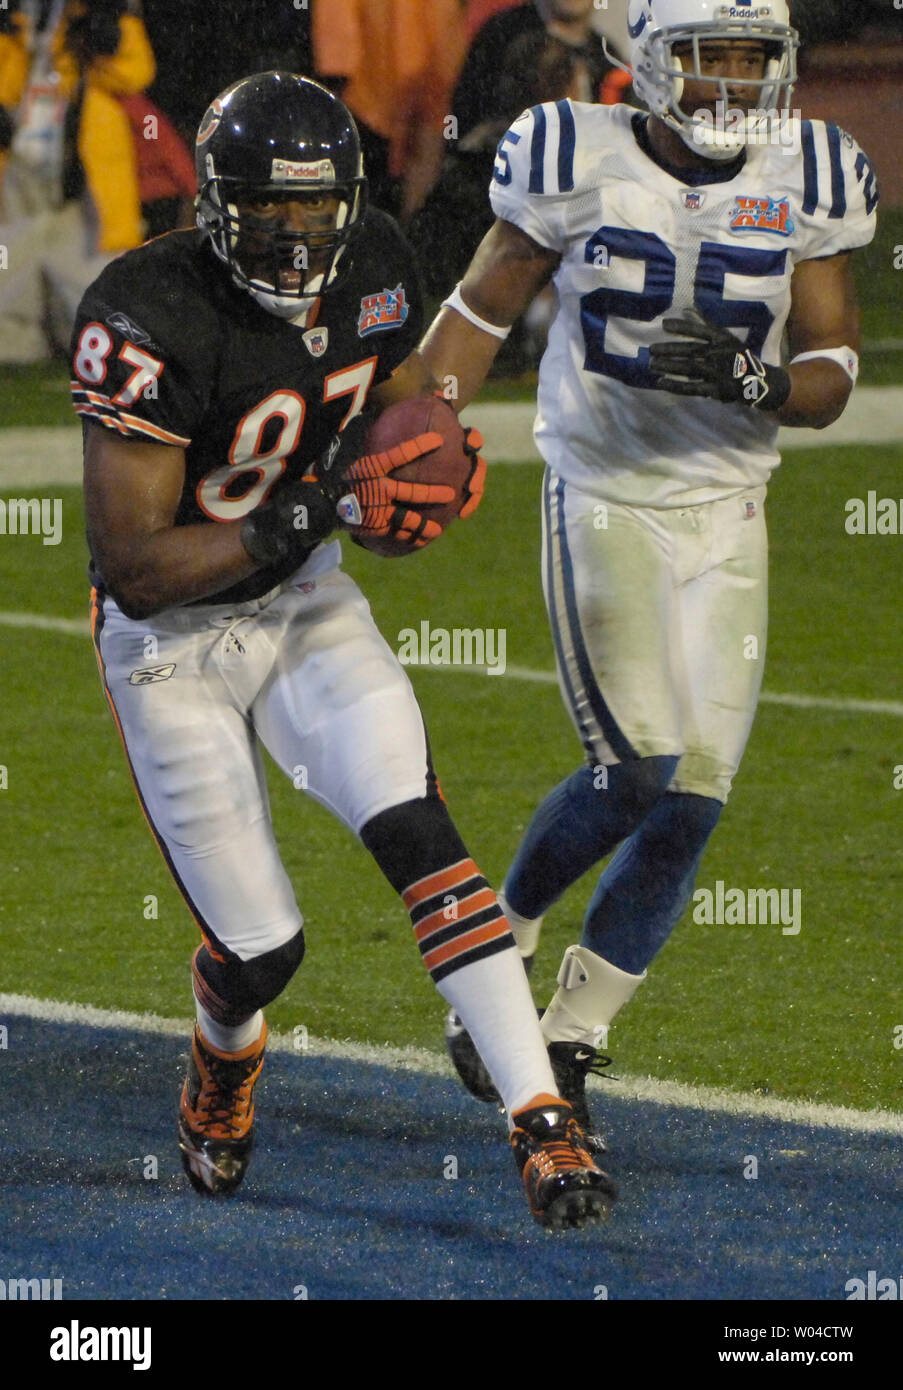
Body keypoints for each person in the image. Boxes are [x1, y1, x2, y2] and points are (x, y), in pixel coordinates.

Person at [71, 71, 617, 1230]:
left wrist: (426, 452)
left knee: (421, 835)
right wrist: (328, 504)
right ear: (220, 203)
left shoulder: (372, 262)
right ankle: (223, 1059)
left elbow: (403, 395)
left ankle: (540, 1121)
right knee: (263, 951)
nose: (299, 233)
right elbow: (133, 562)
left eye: (318, 210)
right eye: (273, 207)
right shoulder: (144, 309)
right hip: (171, 643)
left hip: (305, 603)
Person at [385, 0, 878, 1150]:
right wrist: (416, 428)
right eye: (713, 62)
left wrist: (758, 387)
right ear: (646, 66)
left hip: (730, 509)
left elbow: (833, 366)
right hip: (604, 493)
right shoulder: (571, 152)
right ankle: (497, 936)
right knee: (638, 766)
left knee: (696, 796)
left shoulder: (809, 168)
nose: (739, 87)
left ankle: (569, 1038)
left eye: (759, 60)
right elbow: (478, 309)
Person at [0, 0, 154, 361]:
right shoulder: (18, 12)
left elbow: (135, 73)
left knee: (101, 325)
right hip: (18, 180)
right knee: (9, 311)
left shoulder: (95, 8)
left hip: (81, 189)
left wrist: (113, 30)